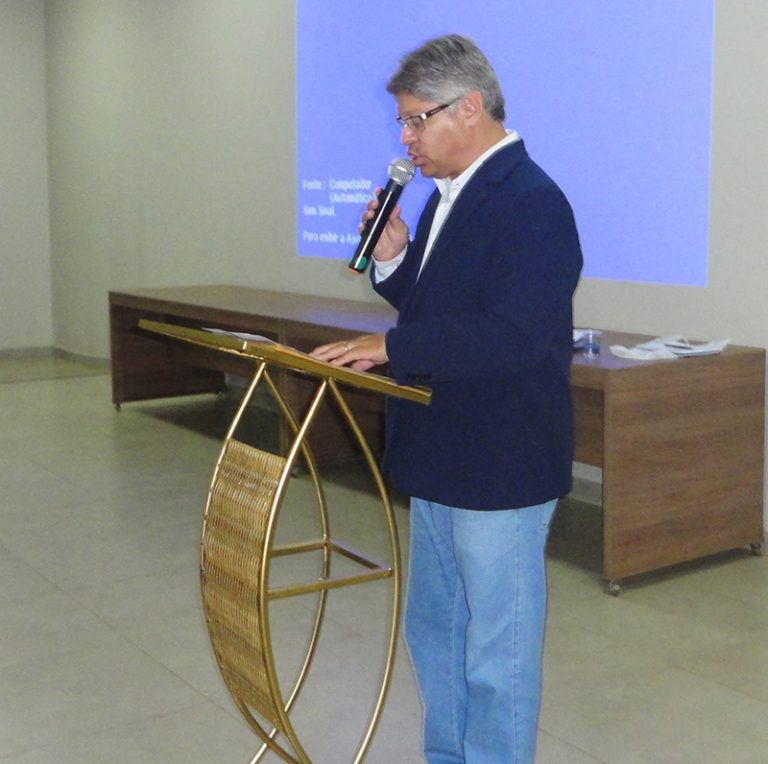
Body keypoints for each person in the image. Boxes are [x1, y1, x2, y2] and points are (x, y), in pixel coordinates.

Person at [311, 34, 582, 764]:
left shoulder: (532, 202)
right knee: (436, 631)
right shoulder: (445, 198)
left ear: (468, 108)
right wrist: (395, 257)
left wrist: (391, 347)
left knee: (497, 646)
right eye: (402, 122)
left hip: (499, 460)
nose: (405, 138)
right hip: (440, 451)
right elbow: (440, 314)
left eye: (414, 120)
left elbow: (514, 335)